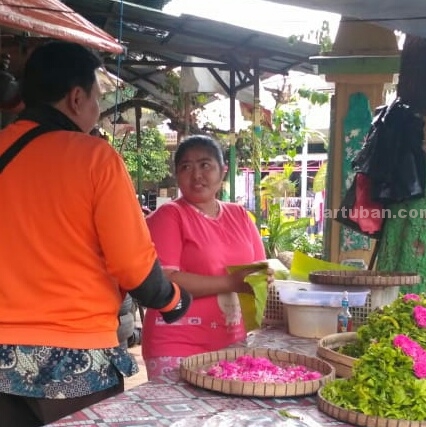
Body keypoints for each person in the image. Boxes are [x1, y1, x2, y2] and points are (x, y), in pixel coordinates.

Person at [0, 42, 192, 427]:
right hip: (74, 356)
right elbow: (132, 265)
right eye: (97, 98)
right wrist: (173, 300)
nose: (96, 107)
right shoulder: (94, 157)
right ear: (76, 98)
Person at [142, 135, 273, 380]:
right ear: (176, 175)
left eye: (205, 165)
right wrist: (231, 282)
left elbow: (258, 272)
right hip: (176, 345)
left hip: (233, 342)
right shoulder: (169, 215)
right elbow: (164, 280)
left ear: (222, 171)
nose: (196, 175)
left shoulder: (239, 215)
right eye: (186, 167)